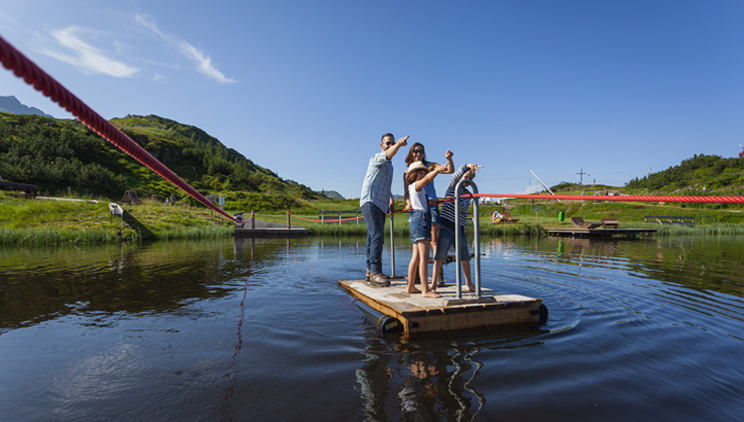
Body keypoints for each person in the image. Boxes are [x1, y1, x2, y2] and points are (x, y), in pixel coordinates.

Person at [360, 133, 409, 286]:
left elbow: (386, 185)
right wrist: (399, 144)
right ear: (382, 146)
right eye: (388, 143)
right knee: (377, 236)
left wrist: (390, 201)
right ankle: (375, 272)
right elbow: (388, 154)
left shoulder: (390, 166)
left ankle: (370, 270)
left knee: (372, 237)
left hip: (381, 204)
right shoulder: (376, 157)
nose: (390, 145)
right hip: (370, 200)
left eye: (392, 143)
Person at [403, 144, 454, 280]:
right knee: (417, 243)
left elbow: (449, 170)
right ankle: (417, 276)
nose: (418, 153)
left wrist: (449, 159)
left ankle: (439, 274)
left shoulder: (430, 166)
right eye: (416, 151)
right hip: (417, 209)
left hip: (431, 205)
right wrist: (408, 204)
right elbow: (406, 193)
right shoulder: (407, 172)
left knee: (434, 241)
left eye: (421, 151)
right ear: (411, 153)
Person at [430, 163, 483, 293]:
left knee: (465, 256)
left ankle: (469, 283)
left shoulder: (467, 194)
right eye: (465, 177)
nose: (467, 181)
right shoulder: (452, 187)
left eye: (470, 179)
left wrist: (455, 201)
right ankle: (433, 284)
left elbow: (463, 208)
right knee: (439, 256)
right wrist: (466, 166)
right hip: (446, 226)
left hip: (459, 228)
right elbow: (455, 176)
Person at [405, 161, 448, 298]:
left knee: (416, 257)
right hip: (421, 219)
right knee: (424, 257)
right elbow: (428, 179)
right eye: (420, 173)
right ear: (413, 175)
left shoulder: (415, 188)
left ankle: (411, 286)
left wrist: (440, 201)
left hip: (416, 219)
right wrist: (437, 170)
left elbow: (423, 202)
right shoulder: (416, 185)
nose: (423, 175)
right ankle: (425, 290)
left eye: (424, 172)